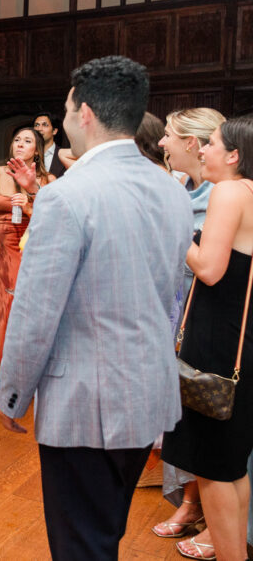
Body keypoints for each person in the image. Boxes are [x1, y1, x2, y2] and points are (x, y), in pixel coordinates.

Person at [0, 56, 192, 560]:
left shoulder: (67, 196)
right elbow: (167, 287)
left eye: (64, 108)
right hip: (146, 391)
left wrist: (13, 393)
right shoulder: (172, 191)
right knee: (103, 534)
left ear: (84, 112)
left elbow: (37, 313)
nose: (62, 120)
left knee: (80, 545)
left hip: (85, 403)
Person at [161, 118, 253, 561]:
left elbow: (210, 269)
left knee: (214, 467)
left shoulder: (231, 191)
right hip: (240, 334)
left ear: (233, 155)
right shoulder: (250, 192)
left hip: (218, 339)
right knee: (233, 464)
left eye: (211, 145)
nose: (203, 151)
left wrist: (173, 225)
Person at [151, 107, 225, 548]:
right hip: (172, 310)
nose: (162, 143)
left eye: (169, 136)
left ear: (194, 145)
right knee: (183, 411)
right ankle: (192, 501)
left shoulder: (225, 195)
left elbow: (214, 267)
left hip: (206, 312)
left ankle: (220, 520)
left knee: (206, 410)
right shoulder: (181, 186)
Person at [0, 126, 54, 389]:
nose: (19, 144)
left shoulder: (48, 179)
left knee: (24, 306)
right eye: (17, 139)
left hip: (31, 244)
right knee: (2, 305)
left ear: (36, 151)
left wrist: (28, 201)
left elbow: (52, 218)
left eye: (27, 141)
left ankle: (27, 370)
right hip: (2, 245)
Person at [34, 111, 67, 177]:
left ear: (54, 131)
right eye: (37, 125)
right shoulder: (28, 153)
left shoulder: (64, 154)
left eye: (45, 125)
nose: (39, 129)